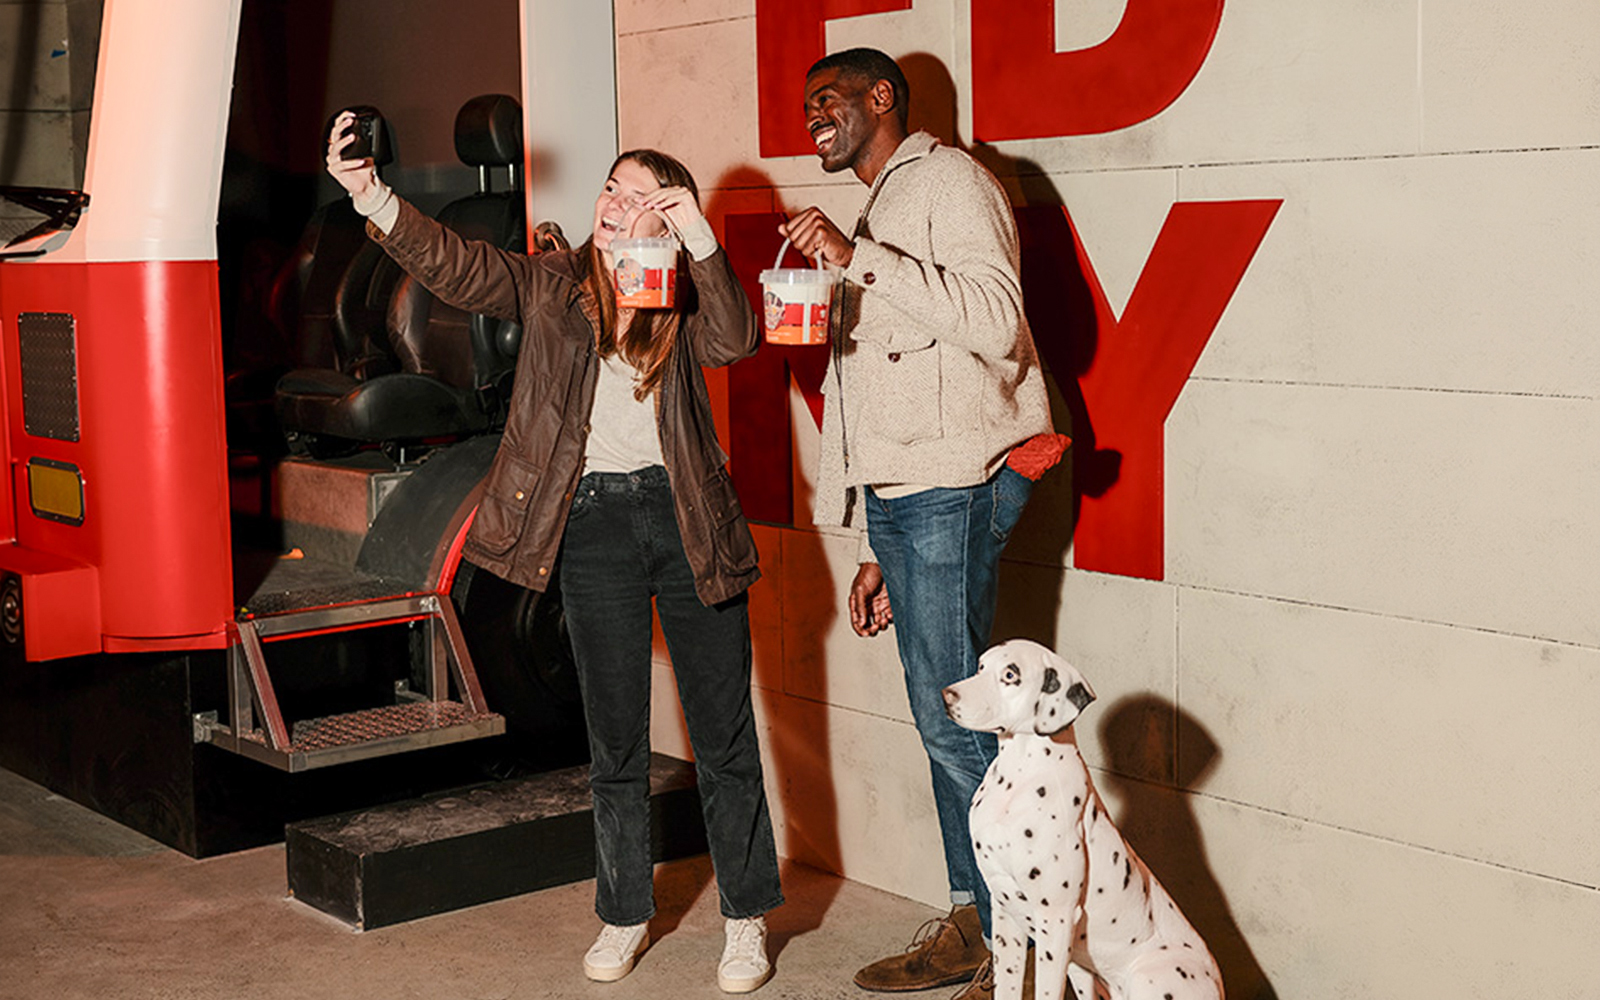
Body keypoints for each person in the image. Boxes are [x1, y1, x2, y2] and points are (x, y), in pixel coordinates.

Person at [325, 114, 783, 994]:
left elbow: (736, 341)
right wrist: (371, 196)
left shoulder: (686, 295)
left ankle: (745, 919)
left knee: (724, 740)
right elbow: (459, 267)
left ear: (669, 219)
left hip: (689, 522)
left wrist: (700, 242)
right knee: (612, 739)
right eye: (612, 187)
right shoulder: (552, 285)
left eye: (642, 198)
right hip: (595, 526)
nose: (615, 204)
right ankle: (623, 913)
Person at [778, 49, 1065, 1000]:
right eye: (805, 105)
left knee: (959, 730)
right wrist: (870, 544)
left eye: (829, 99)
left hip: (955, 485)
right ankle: (983, 929)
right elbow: (880, 388)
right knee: (942, 722)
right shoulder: (880, 203)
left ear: (882, 98)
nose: (813, 115)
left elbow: (995, 318)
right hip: (907, 500)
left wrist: (859, 258)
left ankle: (1024, 950)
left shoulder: (949, 181)